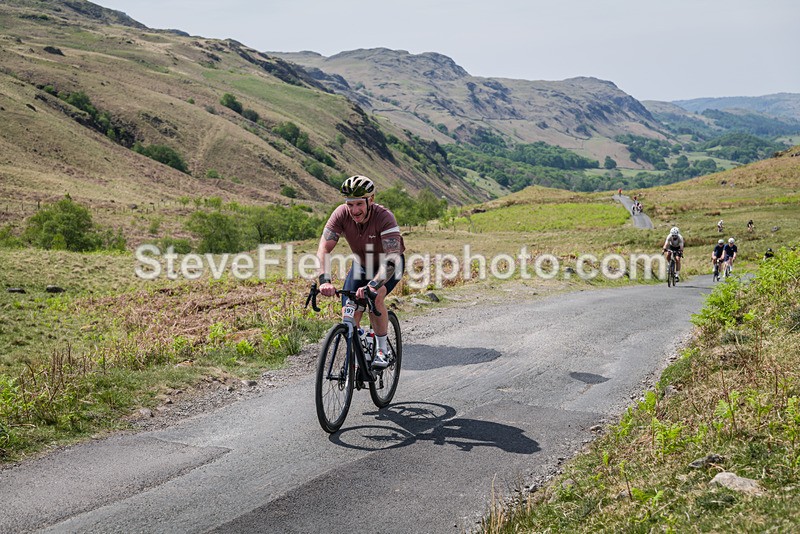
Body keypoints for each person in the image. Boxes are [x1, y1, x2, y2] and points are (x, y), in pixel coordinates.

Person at [316, 175, 405, 369]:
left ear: (370, 200)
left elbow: (392, 258)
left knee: (375, 297)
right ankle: (359, 348)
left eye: (359, 204)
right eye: (350, 204)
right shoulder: (340, 214)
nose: (354, 210)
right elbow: (324, 248)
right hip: (362, 265)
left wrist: (372, 285)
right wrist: (324, 280)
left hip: (389, 266)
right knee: (349, 311)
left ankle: (382, 350)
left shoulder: (384, 217)